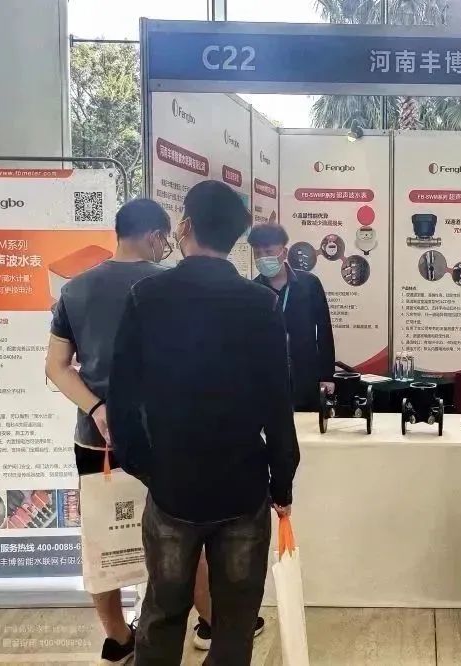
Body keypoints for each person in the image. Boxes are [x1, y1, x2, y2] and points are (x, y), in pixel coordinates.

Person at [107, 180, 300, 665]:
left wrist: (144, 466)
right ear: (236, 238)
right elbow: (278, 404)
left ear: (186, 226)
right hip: (243, 486)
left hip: (172, 484)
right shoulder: (260, 304)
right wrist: (282, 482)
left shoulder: (146, 296)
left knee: (162, 613)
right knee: (236, 619)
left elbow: (122, 397)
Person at [45, 198, 172, 665]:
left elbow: (57, 367)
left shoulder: (75, 290)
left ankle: (118, 639)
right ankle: (196, 621)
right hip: (162, 437)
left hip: (95, 441)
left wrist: (97, 408)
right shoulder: (169, 285)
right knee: (177, 533)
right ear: (154, 236)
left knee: (103, 536)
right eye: (164, 239)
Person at [248, 223, 336, 408]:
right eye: (257, 253)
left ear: (284, 252)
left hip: (306, 373)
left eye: (268, 251)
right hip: (268, 377)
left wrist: (327, 376)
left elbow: (324, 330)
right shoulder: (253, 290)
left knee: (309, 423)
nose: (263, 258)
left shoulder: (309, 284)